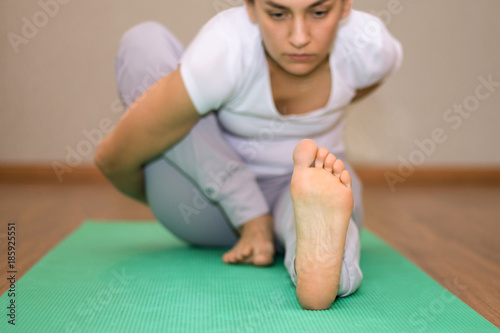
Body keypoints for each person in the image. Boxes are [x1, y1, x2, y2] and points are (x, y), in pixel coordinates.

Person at [95, 0, 402, 310]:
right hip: (210, 207)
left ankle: (322, 267)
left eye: (318, 12)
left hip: (299, 191)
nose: (299, 37)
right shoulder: (225, 47)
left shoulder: (369, 45)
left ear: (346, 6)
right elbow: (112, 158)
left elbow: (366, 82)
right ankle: (264, 222)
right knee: (143, 40)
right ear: (251, 8)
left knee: (326, 197)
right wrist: (241, 206)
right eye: (278, 13)